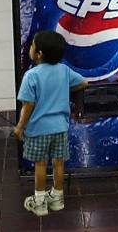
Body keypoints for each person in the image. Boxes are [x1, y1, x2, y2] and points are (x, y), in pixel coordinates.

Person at [14, 30, 88, 216]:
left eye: (32, 46)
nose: (30, 48)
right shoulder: (64, 71)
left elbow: (28, 104)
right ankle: (57, 198)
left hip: (38, 129)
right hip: (60, 128)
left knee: (40, 164)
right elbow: (83, 83)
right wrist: (66, 88)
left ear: (38, 54)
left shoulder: (31, 75)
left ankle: (39, 202)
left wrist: (20, 126)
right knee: (58, 163)